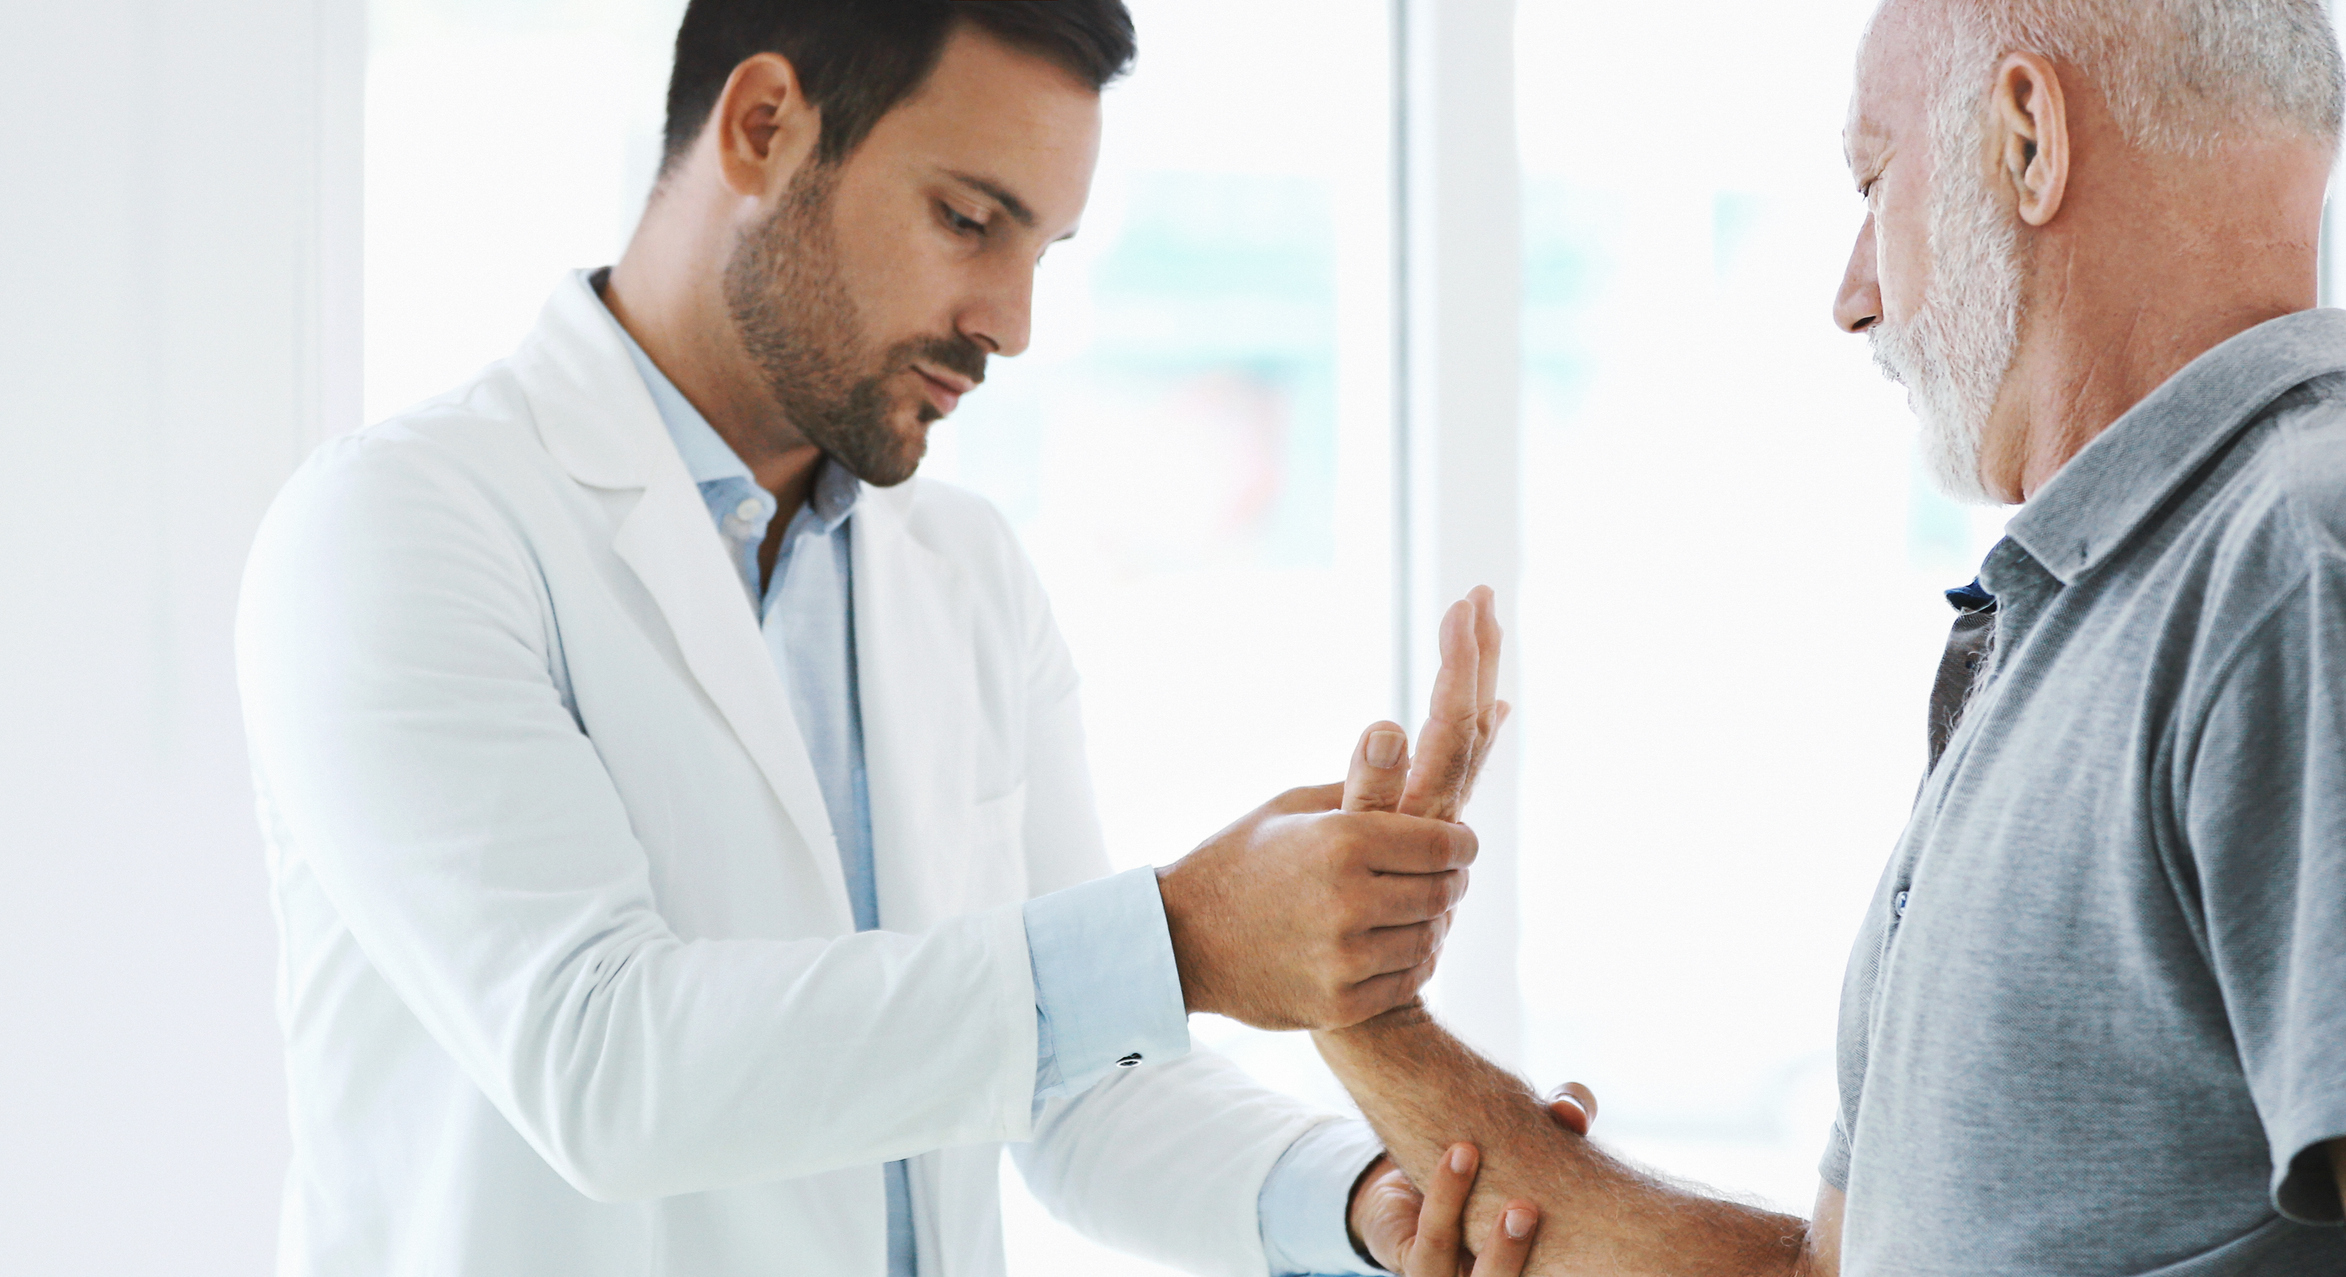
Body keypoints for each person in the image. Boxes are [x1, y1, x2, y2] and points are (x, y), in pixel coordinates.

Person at [237, 3, 1504, 1274]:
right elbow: (602, 1064)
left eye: (1044, 251)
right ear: (763, 128)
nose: (1011, 321)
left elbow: (1073, 1080)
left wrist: (1362, 1201)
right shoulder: (399, 525)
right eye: (968, 219)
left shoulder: (968, 576)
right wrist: (1183, 938)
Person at [1311, 0, 2346, 1273]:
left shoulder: (2298, 560)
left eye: (1874, 181)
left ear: (2028, 140)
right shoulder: (2086, 615)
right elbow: (1833, 1267)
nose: (1853, 297)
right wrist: (1363, 1011)